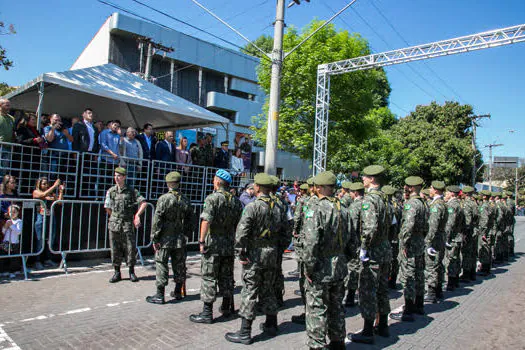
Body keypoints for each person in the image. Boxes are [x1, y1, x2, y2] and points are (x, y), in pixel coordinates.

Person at [224, 173, 288, 345]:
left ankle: (245, 331)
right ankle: (271, 324)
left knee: (250, 290)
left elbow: (242, 232)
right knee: (269, 288)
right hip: (272, 253)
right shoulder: (279, 207)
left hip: (255, 254)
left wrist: (240, 252)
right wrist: (278, 248)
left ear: (258, 187)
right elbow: (286, 232)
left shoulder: (253, 207)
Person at [301, 171, 354, 350]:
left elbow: (311, 242)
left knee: (317, 308)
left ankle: (317, 346)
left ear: (321, 188)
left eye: (316, 186)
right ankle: (338, 343)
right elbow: (353, 242)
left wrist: (308, 267)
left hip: (320, 267)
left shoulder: (315, 209)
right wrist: (344, 258)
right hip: (339, 265)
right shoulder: (345, 210)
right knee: (336, 306)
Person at [189, 169, 242, 323]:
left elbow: (206, 220)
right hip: (228, 244)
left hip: (213, 245)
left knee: (209, 277)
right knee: (226, 276)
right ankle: (226, 308)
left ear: (218, 182)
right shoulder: (235, 201)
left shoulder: (212, 199)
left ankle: (207, 313)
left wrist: (201, 241)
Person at [350, 165, 391, 344]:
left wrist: (364, 247)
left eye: (365, 177)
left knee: (368, 291)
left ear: (372, 179)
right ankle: (383, 326)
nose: (363, 180)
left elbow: (369, 227)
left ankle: (367, 331)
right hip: (384, 250)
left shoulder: (370, 200)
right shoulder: (385, 199)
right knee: (382, 290)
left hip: (373, 252)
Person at [146, 171, 194, 304]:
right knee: (179, 265)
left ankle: (160, 294)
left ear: (168, 184)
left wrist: (154, 238)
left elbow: (157, 220)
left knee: (161, 263)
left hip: (165, 238)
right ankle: (178, 291)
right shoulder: (185, 199)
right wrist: (187, 234)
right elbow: (191, 219)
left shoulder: (164, 199)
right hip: (180, 238)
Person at [390, 176, 428, 322]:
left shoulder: (411, 204)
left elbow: (408, 225)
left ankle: (409, 309)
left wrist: (404, 242)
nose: (404, 188)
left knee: (408, 276)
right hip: (419, 241)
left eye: (406, 186)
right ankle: (419, 305)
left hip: (411, 243)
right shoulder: (423, 203)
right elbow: (426, 226)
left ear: (411, 188)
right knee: (419, 273)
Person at [104, 167, 148, 283]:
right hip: (114, 224)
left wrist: (137, 215)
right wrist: (114, 216)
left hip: (127, 224)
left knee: (130, 248)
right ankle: (117, 272)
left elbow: (143, 203)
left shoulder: (131, 191)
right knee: (115, 248)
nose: (116, 178)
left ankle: (131, 272)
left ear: (124, 177)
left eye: (119, 176)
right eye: (115, 175)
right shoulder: (111, 191)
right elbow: (107, 207)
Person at [423, 181, 448, 304]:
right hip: (440, 239)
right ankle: (438, 290)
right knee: (438, 265)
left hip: (435, 240)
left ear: (436, 190)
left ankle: (432, 293)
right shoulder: (442, 203)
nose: (430, 190)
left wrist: (428, 242)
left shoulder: (436, 206)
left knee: (432, 266)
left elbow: (433, 226)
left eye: (431, 188)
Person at [32, 177, 64, 269]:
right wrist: (54, 185)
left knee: (51, 238)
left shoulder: (51, 193)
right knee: (40, 239)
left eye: (47, 184)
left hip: (51, 217)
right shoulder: (36, 192)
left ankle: (48, 259)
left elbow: (59, 202)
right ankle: (37, 261)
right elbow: (43, 194)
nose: (46, 185)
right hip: (40, 217)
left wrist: (61, 191)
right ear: (39, 184)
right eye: (44, 184)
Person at [344, 182, 364, 308]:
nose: (349, 195)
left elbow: (351, 228)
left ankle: (350, 297)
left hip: (356, 243)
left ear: (355, 193)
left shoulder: (355, 207)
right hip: (367, 244)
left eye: (350, 192)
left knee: (353, 270)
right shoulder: (369, 204)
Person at [443, 185, 464, 291]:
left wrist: (446, 238)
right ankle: (455, 280)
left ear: (452, 193)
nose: (445, 195)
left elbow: (450, 224)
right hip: (458, 236)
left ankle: (451, 283)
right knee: (455, 259)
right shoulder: (459, 204)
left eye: (446, 193)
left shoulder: (452, 205)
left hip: (453, 237)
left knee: (451, 260)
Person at [460, 186, 479, 281]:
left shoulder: (466, 204)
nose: (461, 193)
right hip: (474, 230)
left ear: (466, 194)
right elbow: (476, 216)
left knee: (467, 252)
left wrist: (465, 233)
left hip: (468, 231)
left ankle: (466, 274)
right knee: (472, 252)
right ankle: (472, 273)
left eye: (462, 192)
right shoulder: (474, 203)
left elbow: (468, 220)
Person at [1, 204, 22, 278]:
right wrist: (5, 226)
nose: (12, 214)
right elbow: (3, 231)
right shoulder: (8, 221)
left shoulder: (19, 221)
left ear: (17, 212)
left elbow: (19, 231)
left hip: (14, 242)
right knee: (4, 256)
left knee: (14, 258)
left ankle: (13, 271)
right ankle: (4, 270)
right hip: (6, 241)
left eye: (14, 212)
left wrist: (11, 226)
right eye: (10, 212)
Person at [477, 190, 494, 275]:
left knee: (484, 250)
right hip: (489, 230)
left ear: (484, 196)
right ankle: (487, 268)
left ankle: (485, 269)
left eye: (481, 195)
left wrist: (483, 232)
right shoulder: (490, 205)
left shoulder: (484, 206)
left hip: (485, 231)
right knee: (487, 249)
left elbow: (484, 220)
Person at [0, 99, 14, 178]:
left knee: (4, 171)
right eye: (7, 105)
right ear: (0, 106)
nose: (9, 107)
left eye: (9, 105)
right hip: (0, 145)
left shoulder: (11, 118)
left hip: (8, 147)